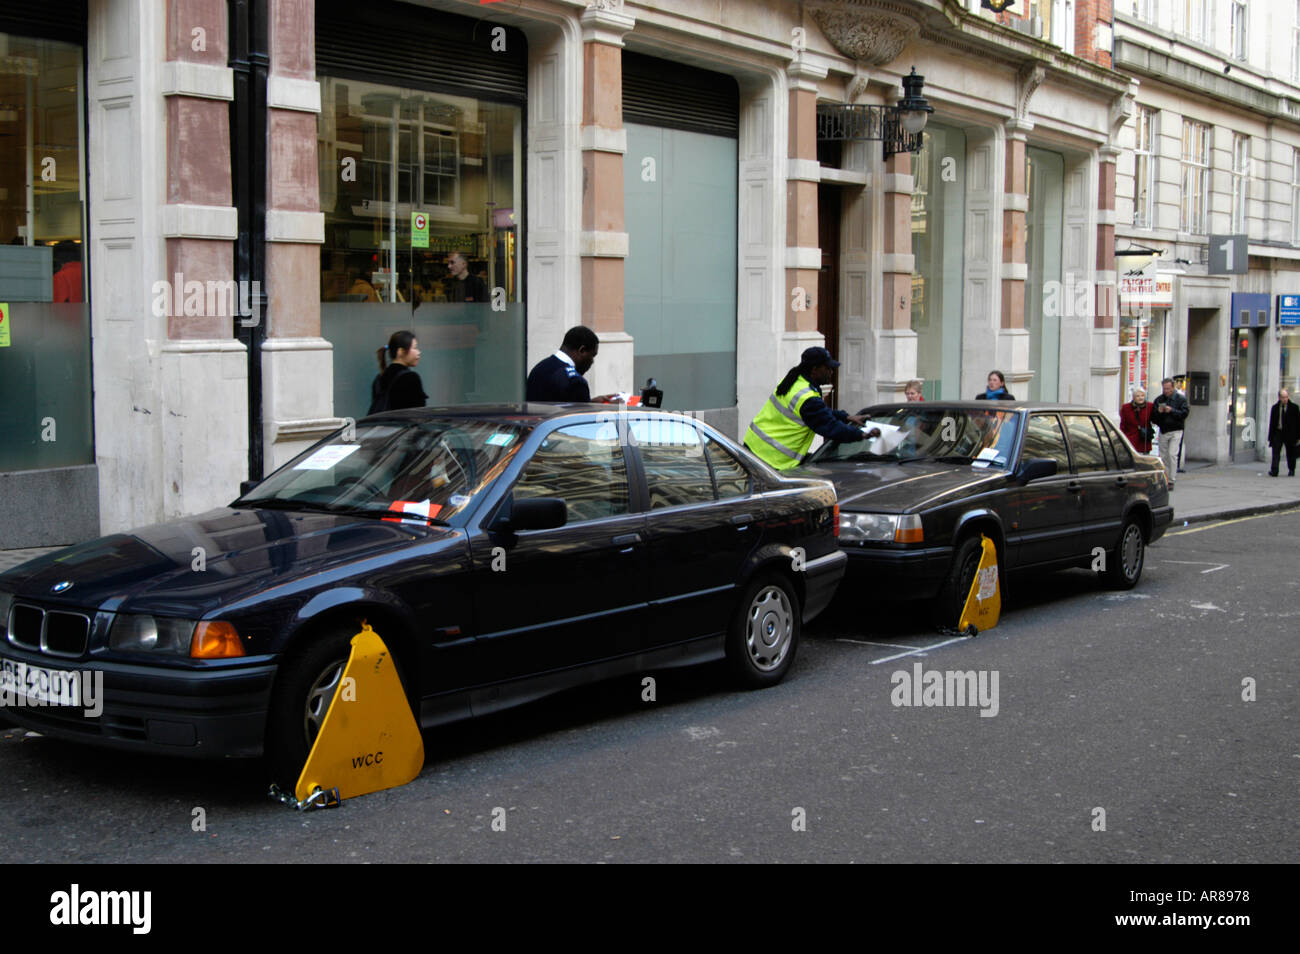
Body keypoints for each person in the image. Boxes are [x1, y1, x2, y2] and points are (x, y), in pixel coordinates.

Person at [743, 347, 880, 470]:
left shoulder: (795, 382)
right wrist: (861, 434)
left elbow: (817, 414)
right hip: (770, 459)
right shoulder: (807, 397)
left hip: (755, 447)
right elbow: (829, 426)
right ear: (814, 370)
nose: (831, 372)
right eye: (827, 368)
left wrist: (846, 417)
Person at [525, 326, 618, 403]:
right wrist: (609, 410)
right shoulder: (575, 382)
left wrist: (591, 403)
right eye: (592, 355)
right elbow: (581, 420)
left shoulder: (539, 368)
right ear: (582, 350)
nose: (592, 361)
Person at [369, 330, 427, 413]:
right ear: (401, 352)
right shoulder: (410, 378)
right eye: (414, 348)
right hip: (402, 425)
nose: (418, 352)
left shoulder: (379, 377)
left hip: (380, 425)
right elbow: (418, 412)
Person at [1151, 377, 1188, 488]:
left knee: (1172, 454)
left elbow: (1184, 414)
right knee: (1163, 455)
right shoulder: (1159, 400)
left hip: (1176, 430)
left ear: (1173, 387)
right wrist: (1159, 412)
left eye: (1168, 388)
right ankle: (1164, 478)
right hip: (1164, 430)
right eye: (1164, 389)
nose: (1166, 391)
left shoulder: (1181, 399)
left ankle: (1171, 479)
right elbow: (1153, 418)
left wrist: (1172, 410)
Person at [1267, 388, 1300, 477]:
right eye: (1283, 397)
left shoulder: (1294, 408)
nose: (1285, 399)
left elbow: (1298, 423)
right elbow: (1272, 423)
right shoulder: (1275, 408)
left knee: (1290, 452)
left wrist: (1298, 437)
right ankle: (1274, 470)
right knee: (1276, 452)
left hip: (1290, 434)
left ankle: (1291, 469)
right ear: (1279, 398)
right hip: (1278, 432)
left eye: (1286, 397)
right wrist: (1271, 437)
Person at [1119, 387, 1155, 454]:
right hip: (1130, 438)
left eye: (1142, 395)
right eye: (1137, 396)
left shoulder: (1150, 406)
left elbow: (1155, 419)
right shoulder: (1126, 407)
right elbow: (1123, 424)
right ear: (1133, 397)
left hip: (1144, 440)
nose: (1140, 398)